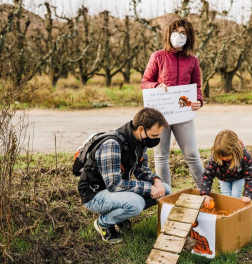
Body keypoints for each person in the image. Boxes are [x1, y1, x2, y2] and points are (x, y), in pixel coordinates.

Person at [77, 108, 171, 243]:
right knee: (136, 203)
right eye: (154, 136)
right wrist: (149, 188)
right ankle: (104, 223)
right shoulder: (112, 144)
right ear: (140, 129)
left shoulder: (140, 142)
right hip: (94, 195)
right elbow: (115, 184)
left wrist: (156, 180)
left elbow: (141, 170)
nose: (157, 140)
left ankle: (119, 217)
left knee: (165, 190)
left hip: (113, 191)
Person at [141, 19, 203, 189]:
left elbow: (197, 86)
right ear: (169, 34)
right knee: (161, 156)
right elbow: (145, 82)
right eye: (176, 32)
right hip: (160, 115)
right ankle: (166, 196)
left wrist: (198, 100)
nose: (179, 36)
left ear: (189, 37)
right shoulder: (158, 56)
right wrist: (156, 86)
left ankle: (206, 192)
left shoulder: (193, 60)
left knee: (192, 154)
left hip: (183, 114)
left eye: (184, 33)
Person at [199, 130, 252, 207]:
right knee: (225, 196)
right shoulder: (216, 157)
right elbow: (207, 175)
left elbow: (250, 175)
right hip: (223, 178)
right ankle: (228, 213)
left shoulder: (244, 156)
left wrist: (247, 195)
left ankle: (235, 212)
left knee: (235, 195)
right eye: (221, 156)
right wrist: (205, 194)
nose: (223, 158)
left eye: (226, 156)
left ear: (234, 150)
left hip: (238, 178)